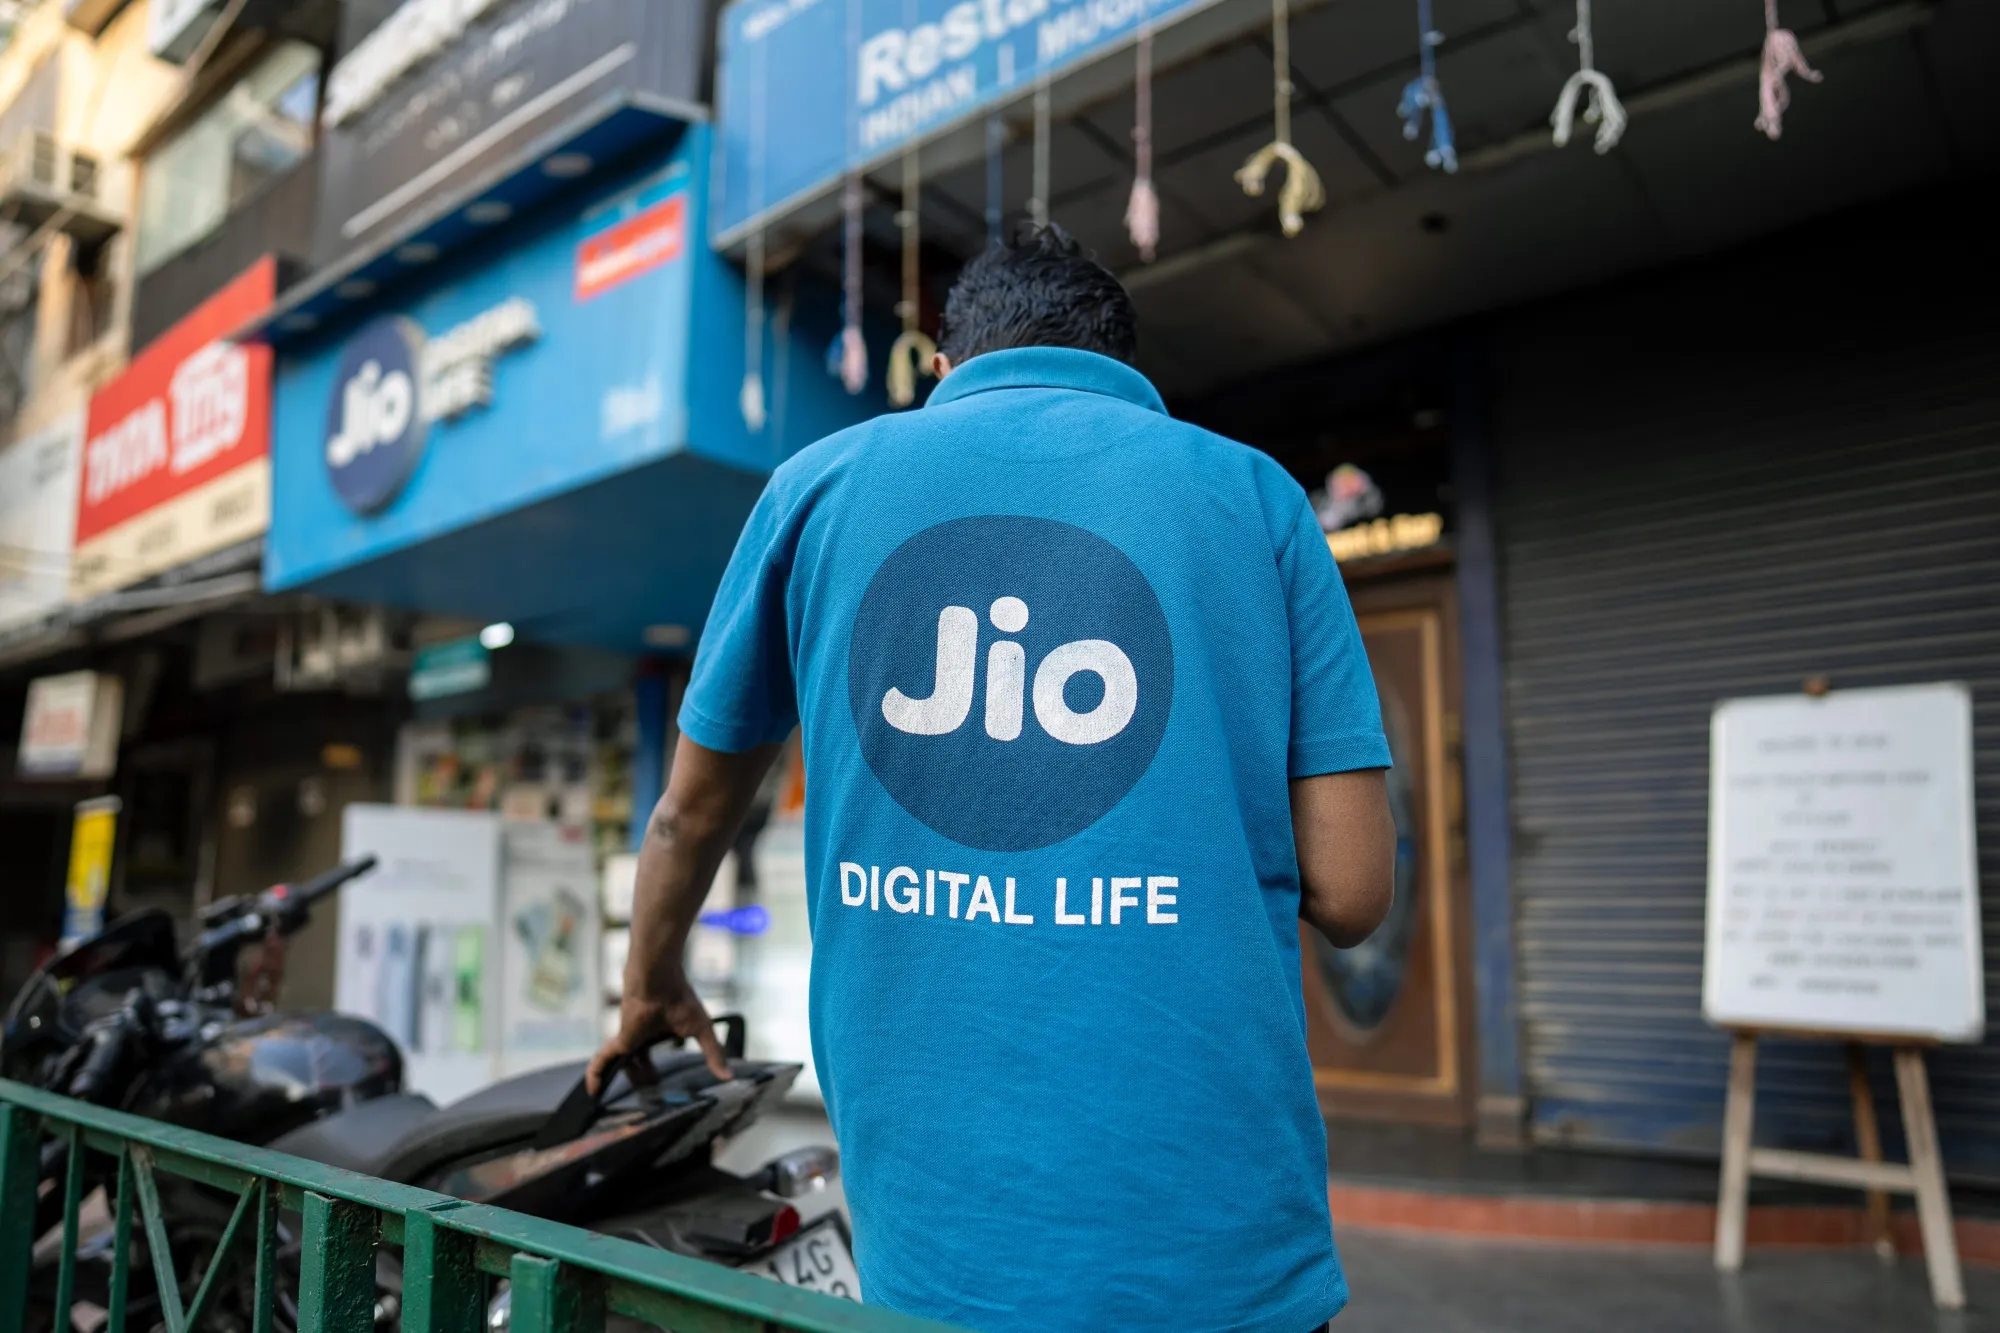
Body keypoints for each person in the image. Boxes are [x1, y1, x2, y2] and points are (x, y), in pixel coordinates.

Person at [589, 224, 1395, 1333]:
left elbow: (687, 815)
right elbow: (1353, 890)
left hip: (942, 1252)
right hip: (1221, 1255)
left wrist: (650, 979)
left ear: (942, 364)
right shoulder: (1252, 497)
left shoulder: (816, 490)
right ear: (1123, 366)